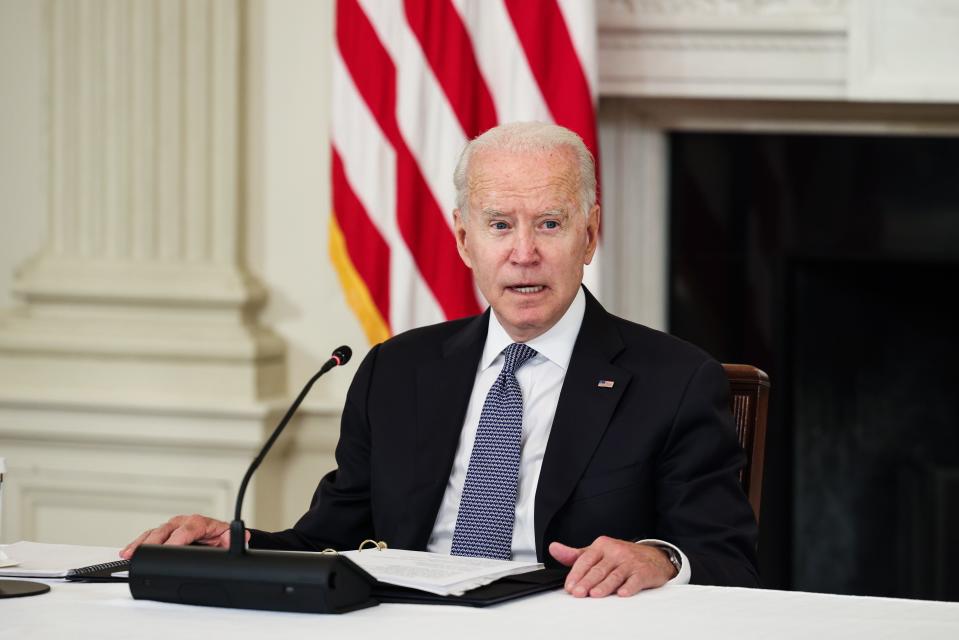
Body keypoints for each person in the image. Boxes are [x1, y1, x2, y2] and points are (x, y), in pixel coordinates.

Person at [122, 122, 759, 597]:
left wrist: (660, 559)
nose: (524, 253)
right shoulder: (395, 372)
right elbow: (330, 539)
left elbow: (726, 559)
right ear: (463, 238)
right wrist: (240, 545)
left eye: (550, 224)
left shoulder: (675, 381)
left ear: (590, 235)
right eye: (500, 225)